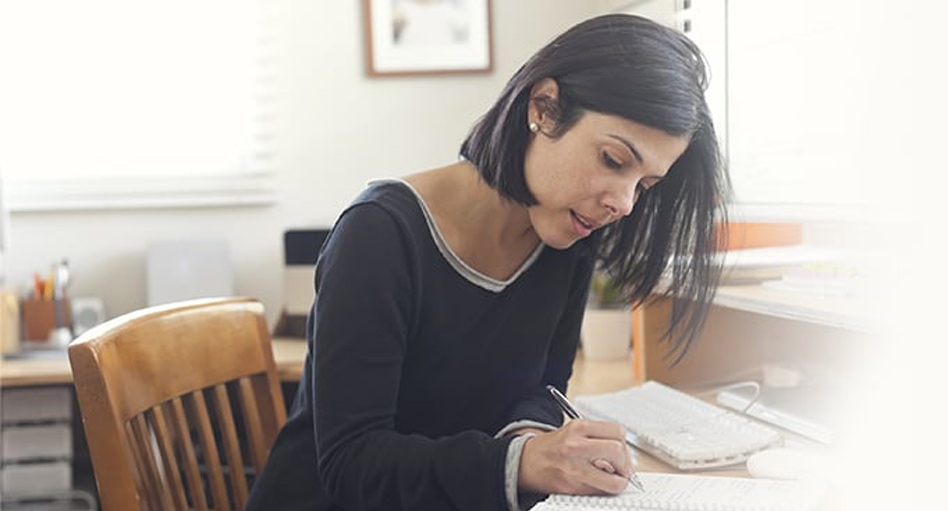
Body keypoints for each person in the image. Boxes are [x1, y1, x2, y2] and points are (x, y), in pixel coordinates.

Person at [247, 13, 728, 511]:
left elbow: (545, 387)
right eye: (612, 160)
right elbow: (353, 464)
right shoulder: (378, 234)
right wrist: (522, 463)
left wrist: (528, 436)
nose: (624, 203)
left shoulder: (566, 235)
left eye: (644, 186)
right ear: (544, 108)